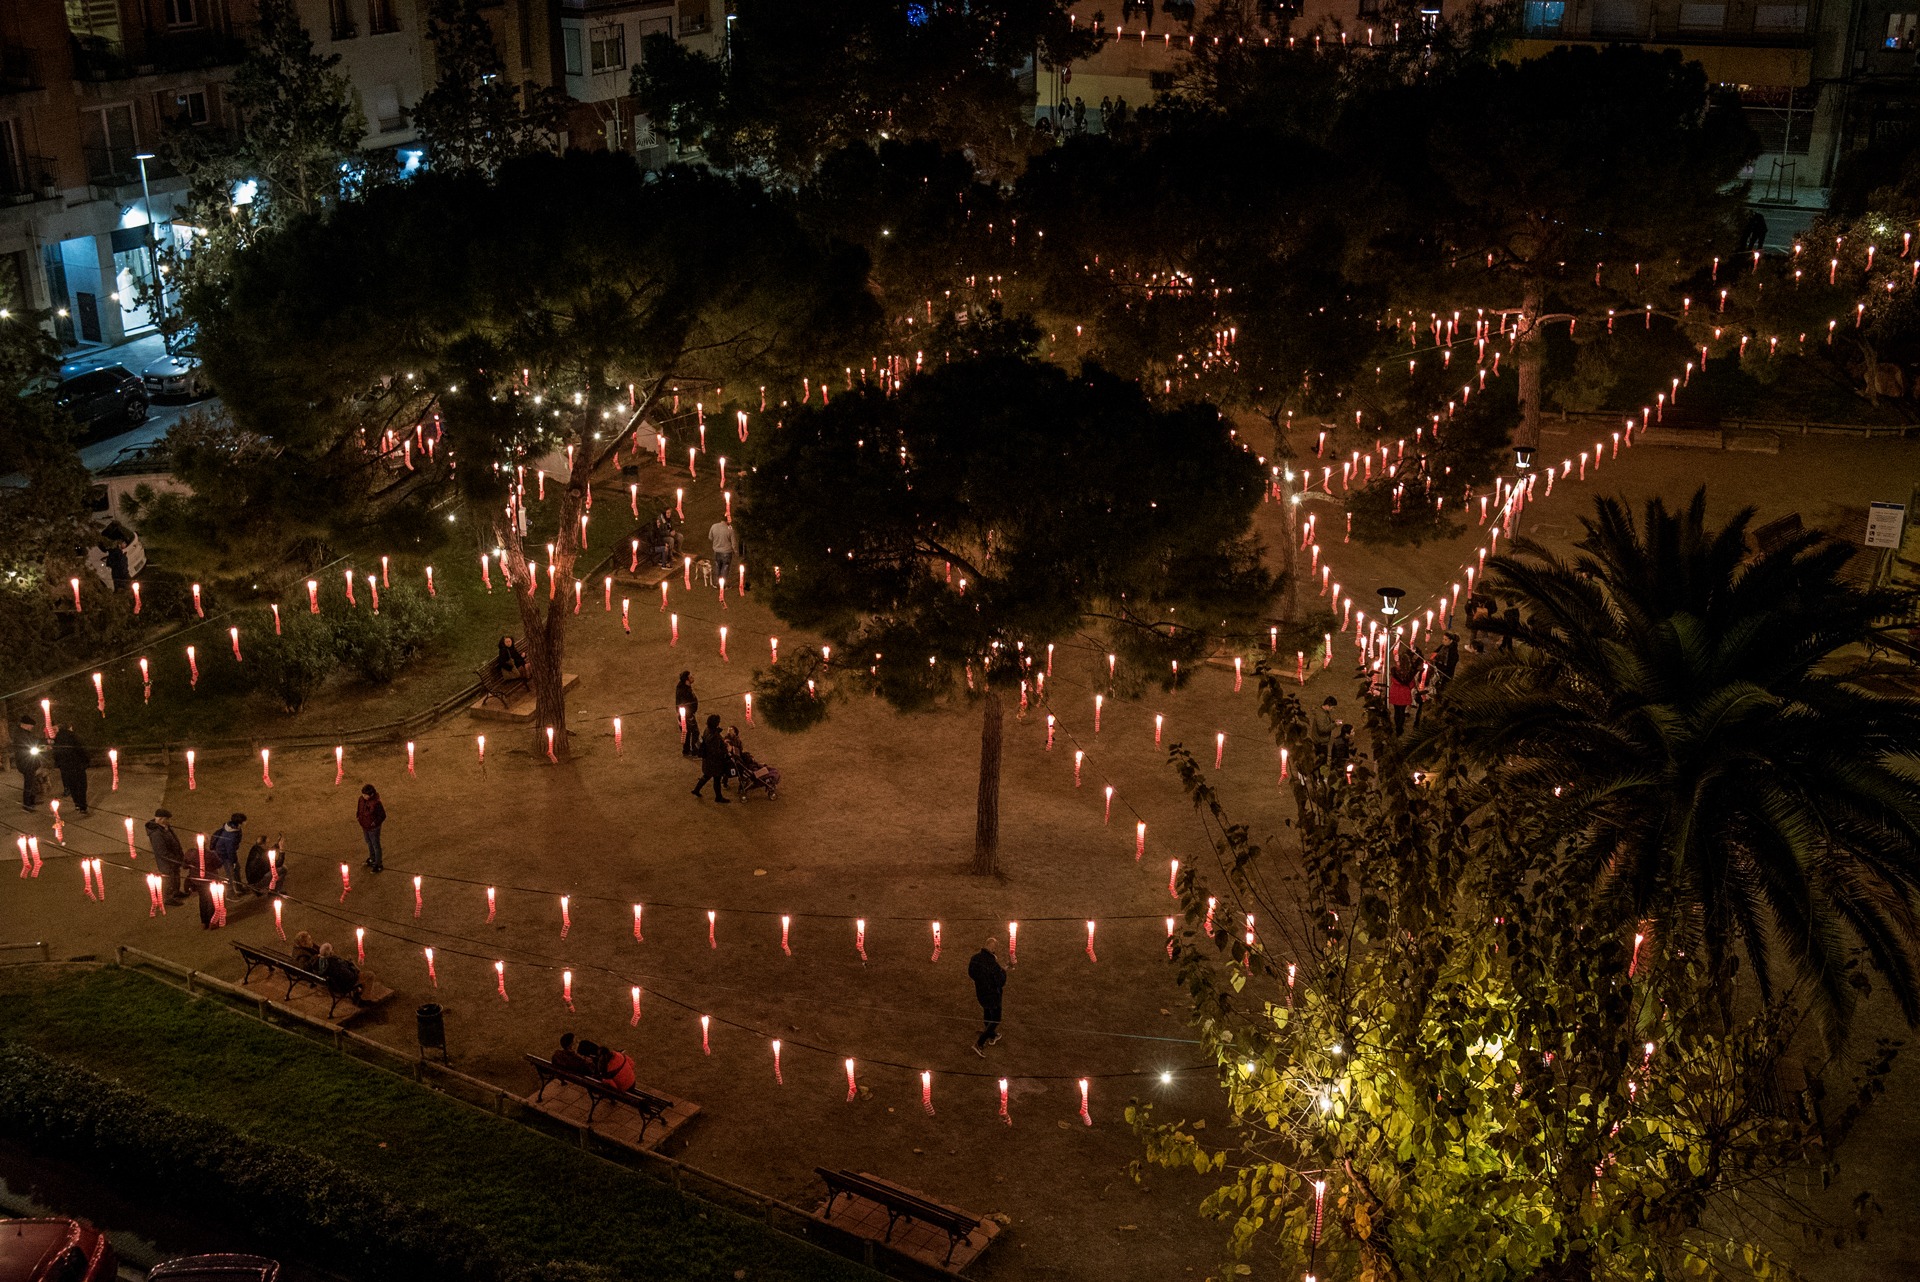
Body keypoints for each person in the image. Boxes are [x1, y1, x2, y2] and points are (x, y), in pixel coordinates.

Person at [969, 938, 1007, 1056]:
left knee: (986, 1011)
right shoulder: (993, 965)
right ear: (992, 949)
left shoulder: (974, 959)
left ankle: (991, 1034)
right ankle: (980, 1043)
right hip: (993, 995)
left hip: (980, 993)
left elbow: (971, 973)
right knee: (996, 1018)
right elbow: (1001, 982)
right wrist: (1004, 971)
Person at [146, 809, 188, 902]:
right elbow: (162, 853)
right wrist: (175, 859)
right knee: (169, 878)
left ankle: (176, 892)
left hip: (174, 859)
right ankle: (168, 897)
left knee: (176, 876)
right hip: (167, 862)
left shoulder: (165, 827)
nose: (169, 821)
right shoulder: (156, 834)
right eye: (167, 819)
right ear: (161, 819)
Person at [50, 724, 89, 813]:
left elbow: (56, 753)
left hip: (66, 766)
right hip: (77, 764)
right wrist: (86, 761)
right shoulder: (73, 736)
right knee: (81, 785)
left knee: (72, 785)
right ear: (69, 728)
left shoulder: (58, 738)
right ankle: (83, 805)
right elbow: (81, 749)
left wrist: (59, 764)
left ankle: (77, 804)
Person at [692, 714, 732, 802]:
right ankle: (718, 797)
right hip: (714, 762)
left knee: (706, 775)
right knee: (717, 779)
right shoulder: (714, 736)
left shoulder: (707, 731)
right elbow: (716, 752)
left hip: (707, 760)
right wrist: (726, 750)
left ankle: (696, 790)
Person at [12, 715, 41, 810]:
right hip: (26, 763)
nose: (31, 728)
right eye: (31, 725)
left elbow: (35, 740)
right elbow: (26, 746)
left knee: (32, 782)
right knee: (28, 783)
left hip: (30, 762)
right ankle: (27, 804)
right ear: (25, 725)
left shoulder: (26, 733)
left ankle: (32, 800)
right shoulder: (20, 735)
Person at [1388, 647, 1419, 735]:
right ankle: (1399, 728)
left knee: (1396, 711)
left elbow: (1392, 679)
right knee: (1402, 711)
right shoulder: (1409, 673)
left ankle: (1397, 726)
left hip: (1395, 691)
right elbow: (1412, 684)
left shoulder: (1395, 670)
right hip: (1404, 693)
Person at [209, 813, 246, 886]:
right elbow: (230, 851)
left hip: (224, 851)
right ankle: (234, 889)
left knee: (236, 869)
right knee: (231, 872)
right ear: (239, 823)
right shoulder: (231, 836)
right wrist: (234, 861)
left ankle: (238, 887)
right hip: (224, 854)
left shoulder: (231, 828)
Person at [357, 784, 387, 871]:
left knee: (375, 845)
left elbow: (383, 815)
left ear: (372, 795)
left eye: (365, 795)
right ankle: (372, 858)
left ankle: (378, 864)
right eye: (363, 794)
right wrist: (358, 817)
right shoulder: (361, 799)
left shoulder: (376, 803)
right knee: (369, 842)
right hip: (365, 826)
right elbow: (359, 809)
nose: (363, 796)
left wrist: (374, 823)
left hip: (373, 828)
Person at [675, 671, 699, 756]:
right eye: (690, 676)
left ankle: (686, 750)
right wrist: (690, 717)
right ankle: (694, 751)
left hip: (685, 716)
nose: (692, 677)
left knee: (687, 733)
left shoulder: (684, 687)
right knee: (695, 732)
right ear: (686, 680)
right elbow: (682, 706)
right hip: (687, 716)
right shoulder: (683, 692)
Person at [708, 517, 737, 587]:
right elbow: (734, 543)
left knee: (717, 566)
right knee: (725, 567)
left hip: (716, 551)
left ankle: (717, 582)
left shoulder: (714, 526)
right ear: (727, 521)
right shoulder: (730, 529)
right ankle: (723, 584)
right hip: (727, 552)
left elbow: (710, 537)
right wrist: (735, 551)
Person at [1309, 696, 1338, 761]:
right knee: (1321, 762)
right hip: (1320, 743)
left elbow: (1325, 722)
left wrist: (1333, 721)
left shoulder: (1324, 712)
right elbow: (1322, 729)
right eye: (1332, 707)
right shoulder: (1321, 715)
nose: (1333, 709)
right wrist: (1334, 725)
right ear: (1327, 706)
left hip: (1320, 741)